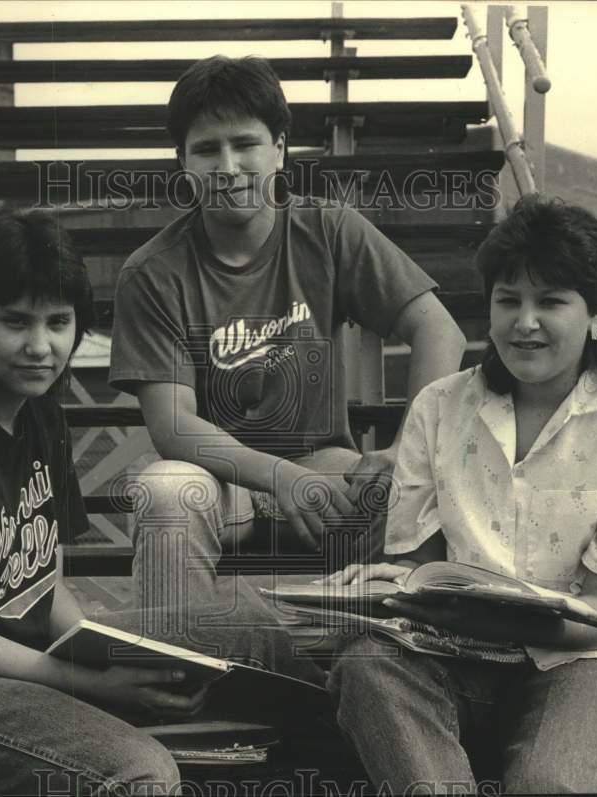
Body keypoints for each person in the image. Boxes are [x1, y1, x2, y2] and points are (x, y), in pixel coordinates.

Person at [0, 208, 316, 796]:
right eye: (15, 321)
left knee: (246, 630)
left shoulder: (40, 416)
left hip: (18, 659)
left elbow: (41, 585)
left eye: (59, 322)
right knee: (139, 769)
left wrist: (110, 653)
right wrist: (85, 681)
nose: (39, 346)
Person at [323, 196, 597, 794]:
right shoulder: (439, 407)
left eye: (550, 301)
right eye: (508, 301)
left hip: (596, 663)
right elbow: (419, 565)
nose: (525, 322)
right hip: (454, 655)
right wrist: (384, 586)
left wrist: (455, 608)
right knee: (368, 666)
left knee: (551, 781)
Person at [109, 56, 467, 615]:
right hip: (221, 480)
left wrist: (404, 450)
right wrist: (280, 478)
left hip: (324, 466)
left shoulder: (327, 229)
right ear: (182, 161)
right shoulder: (153, 272)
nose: (228, 167)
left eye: (245, 143)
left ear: (279, 149)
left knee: (412, 485)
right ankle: (177, 672)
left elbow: (437, 329)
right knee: (164, 490)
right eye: (206, 149)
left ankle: (382, 657)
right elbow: (173, 426)